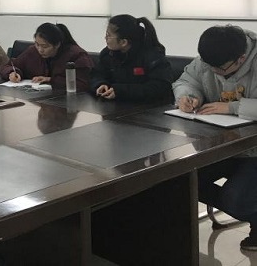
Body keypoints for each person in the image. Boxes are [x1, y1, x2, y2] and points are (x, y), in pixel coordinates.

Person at [173, 25, 257, 250]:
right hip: (220, 145)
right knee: (180, 181)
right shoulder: (210, 58)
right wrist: (187, 96)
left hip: (254, 150)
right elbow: (185, 81)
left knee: (236, 199)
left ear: (241, 59)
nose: (214, 72)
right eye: (208, 66)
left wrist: (232, 107)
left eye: (219, 69)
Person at [90, 14, 172, 101]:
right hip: (115, 105)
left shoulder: (153, 57)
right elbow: (96, 74)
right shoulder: (108, 54)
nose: (105, 38)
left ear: (123, 42)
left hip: (149, 106)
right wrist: (100, 84)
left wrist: (120, 91)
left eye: (108, 35)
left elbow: (159, 88)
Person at [0, 22, 93, 92]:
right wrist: (13, 73)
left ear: (57, 44)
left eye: (45, 46)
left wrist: (50, 80)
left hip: (66, 101)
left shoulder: (76, 55)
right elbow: (8, 66)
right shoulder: (32, 51)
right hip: (37, 98)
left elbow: (82, 84)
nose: (40, 50)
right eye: (37, 44)